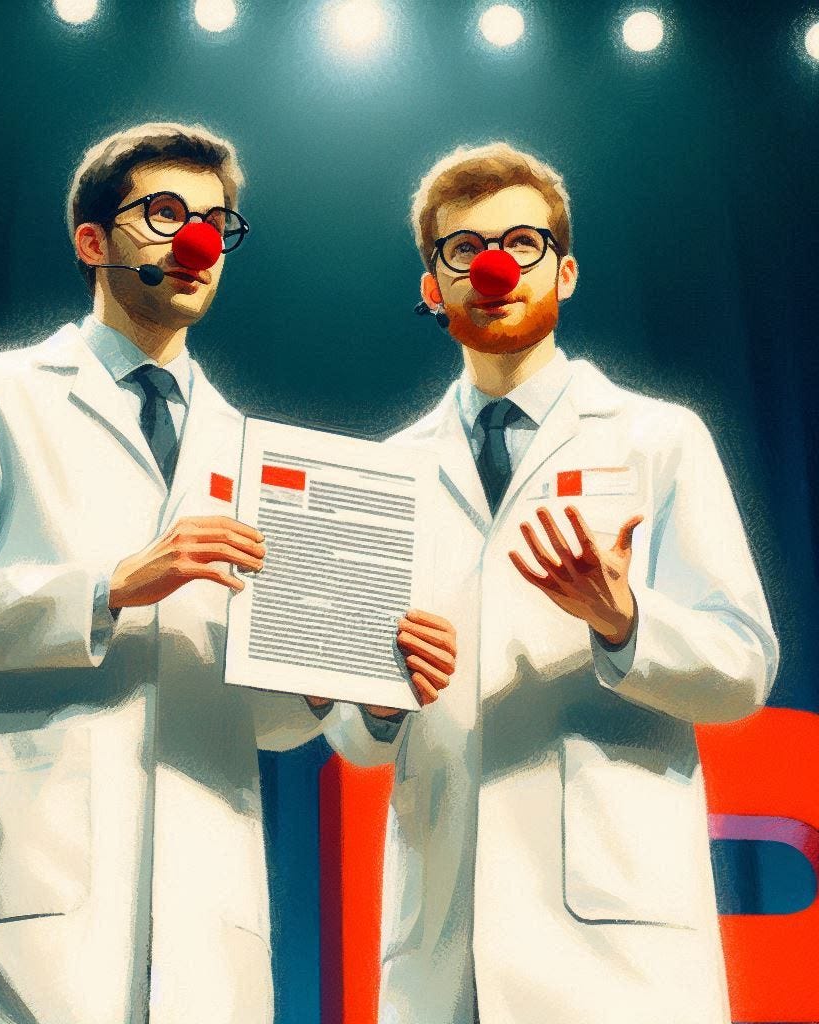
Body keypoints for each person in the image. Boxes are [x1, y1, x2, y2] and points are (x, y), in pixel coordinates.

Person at [0, 121, 455, 1024]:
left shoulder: (251, 451)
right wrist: (107, 589)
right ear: (91, 240)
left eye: (217, 223)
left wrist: (342, 683)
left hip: (205, 910)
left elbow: (261, 721)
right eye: (167, 213)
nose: (198, 244)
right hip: (33, 891)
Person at [322, 141, 779, 1024]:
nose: (494, 268)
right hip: (444, 946)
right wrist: (376, 701)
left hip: (616, 950)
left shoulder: (657, 439)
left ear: (563, 272)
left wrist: (625, 622)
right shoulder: (386, 473)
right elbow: (357, 742)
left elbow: (742, 667)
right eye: (464, 249)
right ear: (433, 287)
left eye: (522, 243)